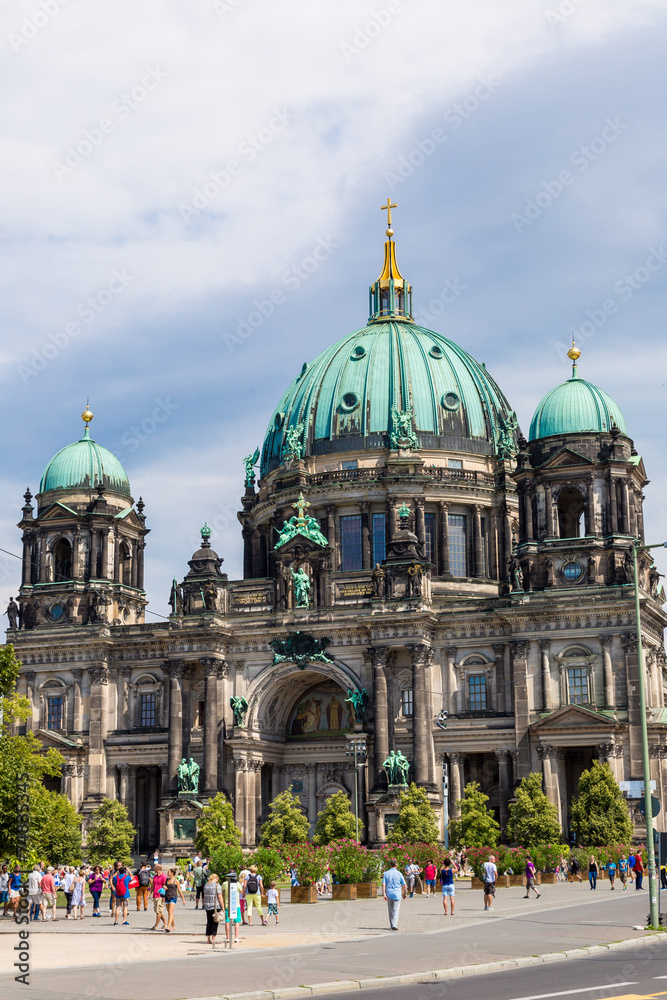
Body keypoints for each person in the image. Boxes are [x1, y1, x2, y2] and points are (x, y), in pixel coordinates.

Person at [382, 859, 407, 931]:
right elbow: (404, 885)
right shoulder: (399, 874)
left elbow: (383, 884)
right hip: (397, 894)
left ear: (390, 865)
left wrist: (384, 894)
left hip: (389, 893)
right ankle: (394, 925)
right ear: (396, 865)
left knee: (390, 909)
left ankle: (392, 924)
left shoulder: (386, 873)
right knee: (396, 909)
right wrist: (405, 893)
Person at [202, 872, 224, 945]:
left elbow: (204, 895)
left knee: (209, 922)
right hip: (215, 906)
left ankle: (208, 939)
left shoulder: (206, 885)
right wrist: (223, 907)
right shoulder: (217, 885)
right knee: (215, 922)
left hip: (207, 906)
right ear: (216, 878)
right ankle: (213, 939)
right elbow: (220, 897)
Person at [164, 867, 185, 932]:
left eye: (168, 872)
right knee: (170, 913)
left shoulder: (176, 881)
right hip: (167, 897)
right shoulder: (166, 880)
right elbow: (164, 887)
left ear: (172, 873)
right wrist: (164, 887)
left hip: (173, 897)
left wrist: (183, 899)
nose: (167, 873)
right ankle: (173, 926)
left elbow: (179, 890)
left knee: (170, 912)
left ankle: (168, 926)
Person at [221, 875, 241, 944]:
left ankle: (228, 938)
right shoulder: (237, 883)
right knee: (237, 921)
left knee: (227, 921)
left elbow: (221, 890)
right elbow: (241, 891)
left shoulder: (225, 883)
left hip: (227, 904)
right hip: (236, 904)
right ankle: (236, 937)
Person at [151, 864, 167, 931]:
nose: (153, 869)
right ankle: (165, 922)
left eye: (154, 868)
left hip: (160, 896)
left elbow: (165, 887)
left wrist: (164, 897)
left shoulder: (164, 876)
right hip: (155, 895)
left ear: (157, 869)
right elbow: (152, 886)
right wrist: (149, 894)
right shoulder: (155, 876)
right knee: (158, 911)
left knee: (158, 911)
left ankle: (156, 925)